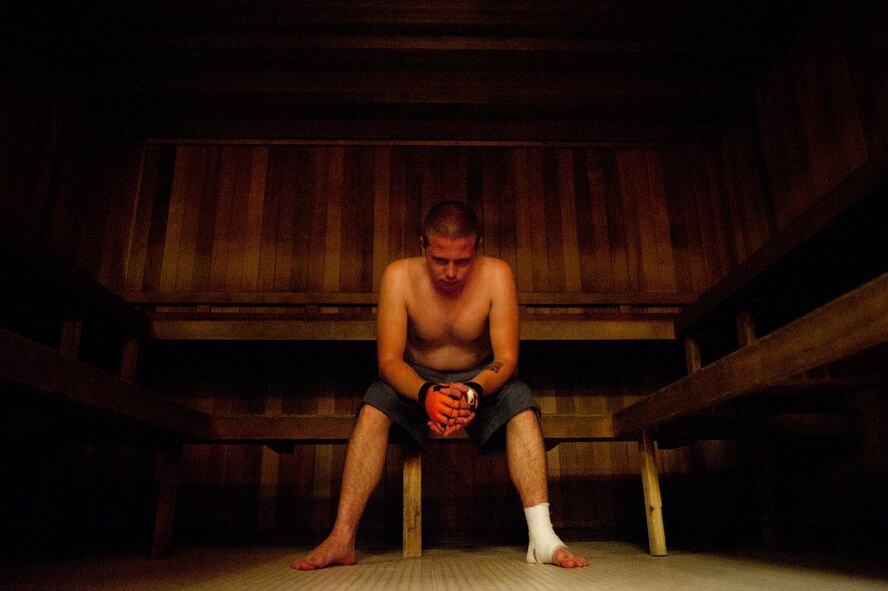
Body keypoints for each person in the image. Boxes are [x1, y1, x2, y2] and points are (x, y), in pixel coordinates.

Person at [291, 201, 588, 570]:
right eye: (440, 260)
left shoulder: (497, 275)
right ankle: (342, 538)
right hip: (415, 380)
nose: (451, 272)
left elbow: (507, 359)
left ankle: (542, 537)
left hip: (482, 380)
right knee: (374, 405)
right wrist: (426, 394)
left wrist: (472, 391)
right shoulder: (399, 277)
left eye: (462, 262)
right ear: (422, 245)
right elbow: (388, 361)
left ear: (477, 247)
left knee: (521, 403)